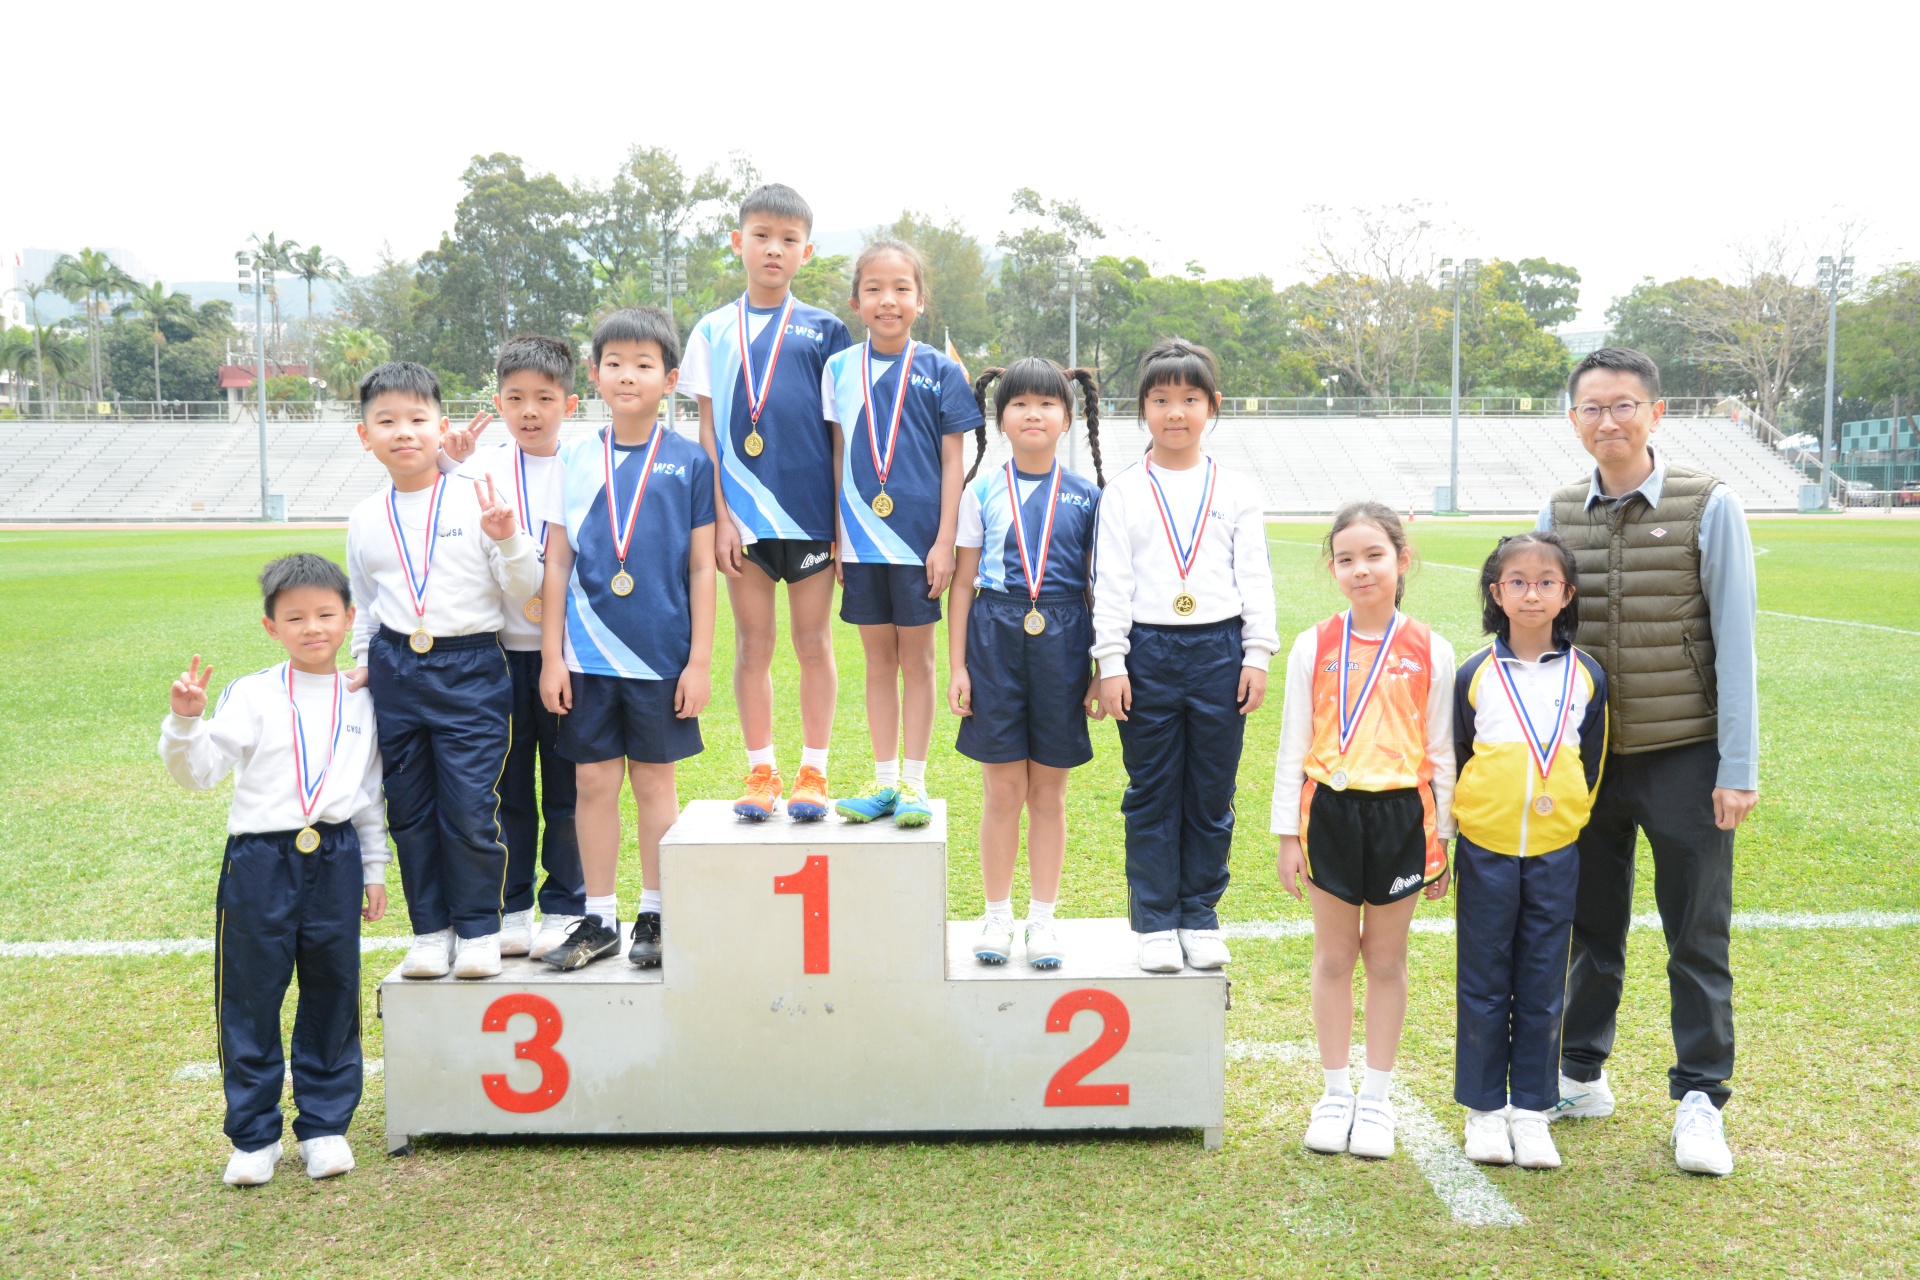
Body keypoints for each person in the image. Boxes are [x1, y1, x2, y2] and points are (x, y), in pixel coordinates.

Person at [1540, 347, 1758, 1177]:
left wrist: (1736, 766)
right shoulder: (1559, 509)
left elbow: (1735, 642)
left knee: (1695, 934)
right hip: (1588, 761)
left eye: (1624, 405)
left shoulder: (1710, 503)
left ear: (1655, 412)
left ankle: (1701, 1097)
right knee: (1588, 926)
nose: (1609, 421)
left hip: (1686, 758)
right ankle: (1580, 1074)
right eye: (1593, 408)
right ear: (1574, 419)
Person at [159, 554, 387, 1186]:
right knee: (251, 994)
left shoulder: (363, 698)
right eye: (294, 618)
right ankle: (255, 1136)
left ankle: (324, 1127)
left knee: (333, 987)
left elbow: (370, 793)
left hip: (336, 855)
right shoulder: (252, 692)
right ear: (271, 627)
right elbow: (198, 774)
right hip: (260, 860)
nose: (312, 628)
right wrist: (185, 721)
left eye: (325, 614)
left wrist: (373, 867)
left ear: (349, 618)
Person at [1271, 501, 1455, 1160]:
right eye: (1346, 559)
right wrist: (1286, 835)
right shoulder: (1313, 644)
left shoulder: (1431, 648)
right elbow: (1293, 745)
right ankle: (1334, 1092)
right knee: (1333, 957)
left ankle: (1375, 1098)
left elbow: (1442, 752)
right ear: (1332, 569)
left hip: (1402, 818)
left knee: (1385, 959)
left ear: (1402, 561)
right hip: (1330, 814)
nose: (1361, 570)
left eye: (1374, 556)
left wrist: (1444, 839)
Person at [535, 307, 716, 970]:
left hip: (661, 655)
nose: (628, 375)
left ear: (670, 379)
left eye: (644, 364)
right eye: (614, 363)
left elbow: (701, 568)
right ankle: (600, 916)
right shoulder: (574, 458)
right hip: (586, 655)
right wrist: (552, 656)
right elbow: (557, 561)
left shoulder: (690, 462)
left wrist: (699, 661)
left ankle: (657, 913)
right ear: (595, 374)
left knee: (654, 785)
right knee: (592, 782)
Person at [346, 361, 537, 981]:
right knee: (409, 811)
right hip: (395, 670)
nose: (403, 432)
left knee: (470, 807)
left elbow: (525, 587)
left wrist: (508, 539)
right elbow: (366, 604)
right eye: (386, 421)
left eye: (417, 418)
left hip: (470, 667)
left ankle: (479, 930)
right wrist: (363, 662)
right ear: (365, 436)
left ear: (441, 426)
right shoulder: (364, 516)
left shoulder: (476, 495)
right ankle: (431, 932)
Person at [1094, 338, 1277, 975]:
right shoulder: (1123, 491)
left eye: (1190, 399)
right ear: (1142, 408)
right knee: (1151, 791)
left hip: (1219, 650)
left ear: (1212, 406)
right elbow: (1111, 584)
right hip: (1147, 650)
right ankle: (1154, 921)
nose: (1176, 412)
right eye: (1161, 399)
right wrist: (1111, 663)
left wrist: (1257, 654)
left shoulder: (1237, 489)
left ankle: (1199, 916)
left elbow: (1255, 577)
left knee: (1210, 793)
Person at [680, 184, 853, 822]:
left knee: (813, 643)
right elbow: (705, 433)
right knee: (753, 646)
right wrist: (720, 518)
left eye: (788, 240)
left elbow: (841, 435)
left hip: (809, 516)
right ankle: (761, 771)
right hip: (742, 522)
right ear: (738, 242)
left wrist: (842, 525)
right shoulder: (712, 330)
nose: (773, 249)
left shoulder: (827, 330)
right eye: (761, 236)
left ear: (807, 251)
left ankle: (814, 772)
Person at [1451, 532, 1608, 1170]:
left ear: (1567, 595)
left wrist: (1566, 819)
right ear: (1497, 593)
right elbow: (1458, 754)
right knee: (1483, 979)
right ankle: (1485, 1110)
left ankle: (1532, 1111)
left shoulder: (1587, 675)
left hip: (1554, 850)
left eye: (1546, 582)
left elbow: (1592, 762)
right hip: (1485, 848)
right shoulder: (1475, 674)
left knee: (1544, 981)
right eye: (1517, 581)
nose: (1532, 593)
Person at [949, 359, 1106, 968]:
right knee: (1002, 790)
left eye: (1046, 404)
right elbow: (962, 584)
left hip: (1064, 639)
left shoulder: (1088, 497)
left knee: (1048, 792)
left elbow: (1098, 590)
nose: (1033, 414)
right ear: (1001, 418)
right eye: (1019, 404)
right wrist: (959, 666)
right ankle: (996, 916)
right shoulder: (981, 491)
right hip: (994, 636)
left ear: (1068, 417)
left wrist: (1099, 669)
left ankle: (1043, 920)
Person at [441, 335, 587, 961]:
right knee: (509, 789)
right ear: (498, 402)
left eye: (545, 398)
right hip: (497, 654)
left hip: (569, 655)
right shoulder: (475, 468)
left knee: (569, 788)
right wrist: (446, 463)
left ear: (570, 404)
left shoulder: (586, 464)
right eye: (516, 398)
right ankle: (515, 906)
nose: (530, 411)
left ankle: (567, 905)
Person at [826, 240, 981, 828]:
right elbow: (838, 454)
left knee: (917, 661)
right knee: (877, 661)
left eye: (901, 289)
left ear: (921, 301)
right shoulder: (839, 369)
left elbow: (952, 461)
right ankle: (885, 780)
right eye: (874, 289)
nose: (887, 300)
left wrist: (944, 541)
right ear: (856, 301)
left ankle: (914, 782)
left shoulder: (941, 371)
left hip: (919, 544)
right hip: (861, 542)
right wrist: (838, 533)